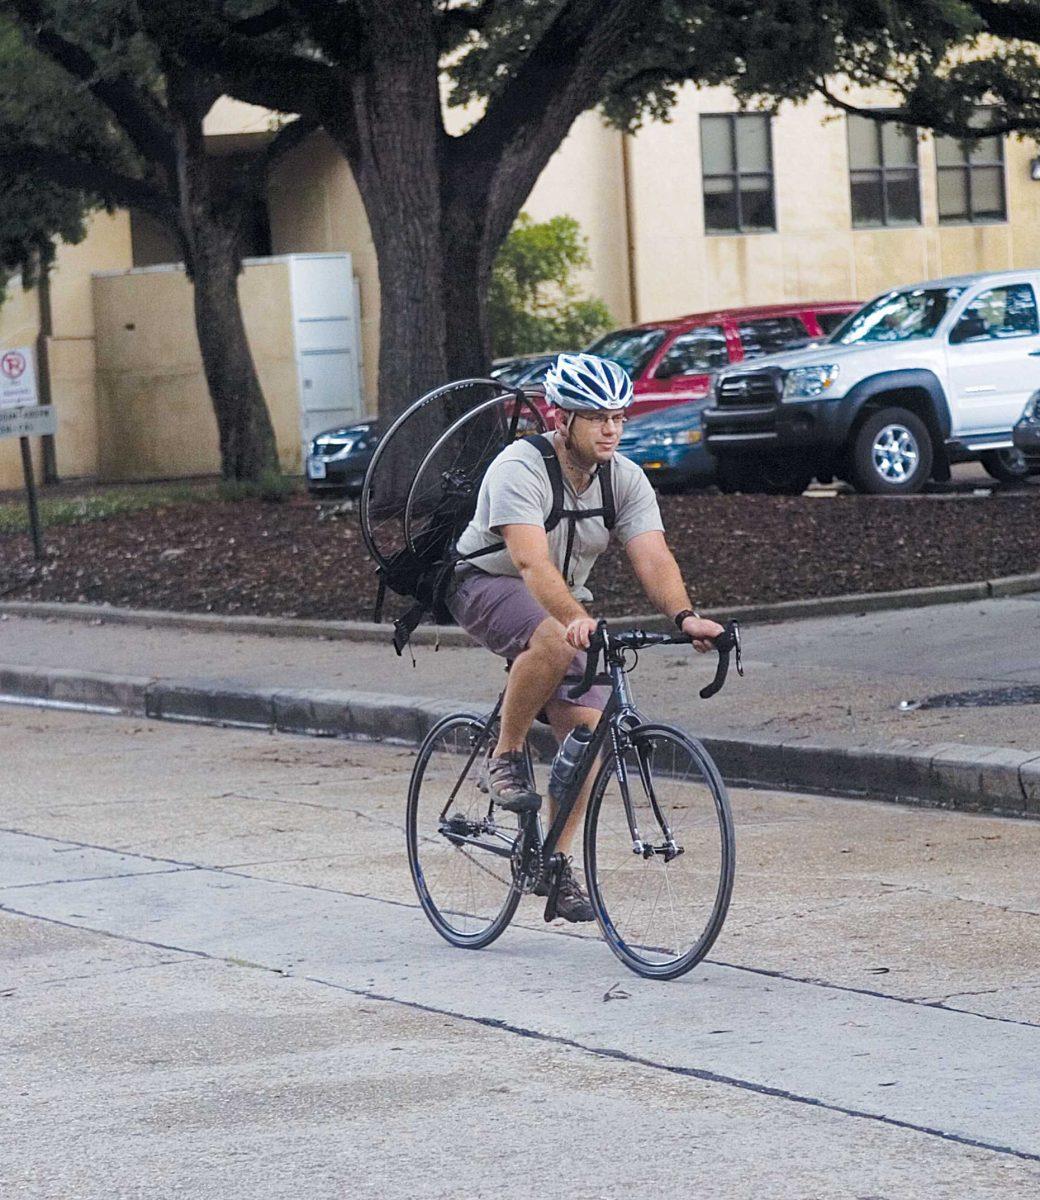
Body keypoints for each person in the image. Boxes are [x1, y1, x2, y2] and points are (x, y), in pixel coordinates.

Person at [448, 352, 725, 922]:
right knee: (553, 639)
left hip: (561, 603)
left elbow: (652, 556)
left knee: (593, 737)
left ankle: (552, 865)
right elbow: (529, 563)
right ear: (560, 417)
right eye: (597, 416)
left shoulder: (622, 477)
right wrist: (575, 618)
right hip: (484, 583)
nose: (611, 428)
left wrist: (684, 616)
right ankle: (504, 755)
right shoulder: (519, 467)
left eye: (619, 416)